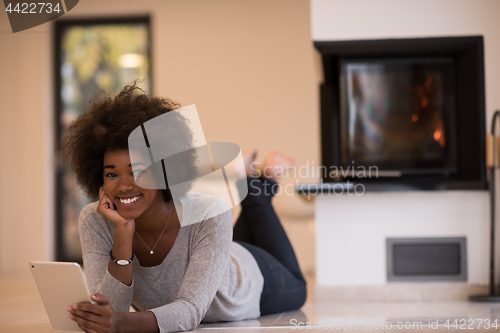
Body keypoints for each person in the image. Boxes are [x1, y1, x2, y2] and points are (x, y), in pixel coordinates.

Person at [62, 82, 307, 333]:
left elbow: (187, 312)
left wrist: (119, 323)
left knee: (300, 288)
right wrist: (122, 235)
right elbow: (110, 311)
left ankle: (257, 181)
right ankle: (256, 174)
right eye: (112, 175)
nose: (124, 186)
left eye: (137, 171)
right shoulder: (96, 219)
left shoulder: (211, 212)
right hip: (214, 252)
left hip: (248, 279)